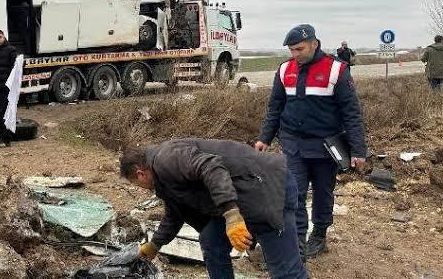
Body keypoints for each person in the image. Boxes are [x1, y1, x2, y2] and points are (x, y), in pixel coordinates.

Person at [255, 24, 367, 260]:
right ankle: (296, 246)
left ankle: (320, 234)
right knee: (293, 194)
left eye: (299, 49)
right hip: (293, 145)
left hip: (326, 147)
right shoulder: (285, 70)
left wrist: (358, 150)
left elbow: (351, 113)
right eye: (291, 50)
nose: (295, 55)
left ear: (314, 44)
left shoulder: (337, 70)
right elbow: (275, 108)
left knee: (323, 192)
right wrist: (265, 138)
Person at [120, 139, 308, 279]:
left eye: (136, 184)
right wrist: (155, 245)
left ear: (140, 173)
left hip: (266, 188)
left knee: (285, 271)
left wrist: (232, 215)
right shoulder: (161, 177)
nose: (141, 188)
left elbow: (212, 167)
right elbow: (175, 212)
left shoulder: (167, 158)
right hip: (242, 195)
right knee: (212, 241)